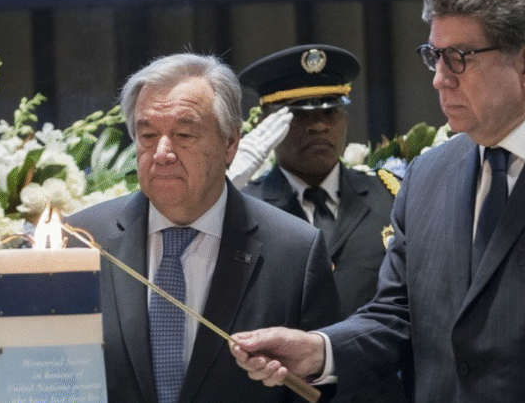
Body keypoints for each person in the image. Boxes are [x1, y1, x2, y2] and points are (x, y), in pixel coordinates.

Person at [230, 0, 525, 402]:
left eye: (458, 59)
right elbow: (399, 314)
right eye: (434, 57)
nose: (439, 79)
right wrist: (320, 350)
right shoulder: (428, 175)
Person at [67, 53, 340, 403]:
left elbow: (321, 392)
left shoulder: (294, 251)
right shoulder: (80, 240)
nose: (162, 153)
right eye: (147, 135)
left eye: (184, 134)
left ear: (230, 144)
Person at [239, 45, 405, 403]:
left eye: (331, 110)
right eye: (299, 114)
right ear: (266, 123)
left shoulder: (392, 197)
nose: (319, 125)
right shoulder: (243, 210)